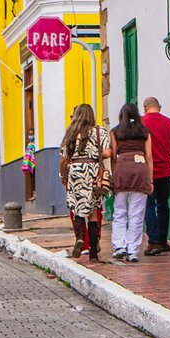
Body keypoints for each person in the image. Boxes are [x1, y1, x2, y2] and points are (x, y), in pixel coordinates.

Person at [57, 102, 108, 260]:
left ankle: (80, 239)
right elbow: (106, 152)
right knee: (93, 211)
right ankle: (93, 252)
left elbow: (64, 155)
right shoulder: (99, 131)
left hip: (75, 172)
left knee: (77, 208)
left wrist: (64, 176)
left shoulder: (71, 133)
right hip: (92, 171)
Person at [107, 102, 154, 263]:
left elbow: (113, 156)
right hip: (140, 171)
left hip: (122, 170)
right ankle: (133, 250)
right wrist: (151, 179)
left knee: (119, 211)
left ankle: (119, 246)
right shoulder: (144, 132)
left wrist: (115, 175)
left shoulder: (115, 131)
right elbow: (149, 157)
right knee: (137, 213)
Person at [140, 96, 170, 255]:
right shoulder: (169, 122)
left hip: (146, 171)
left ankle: (153, 241)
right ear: (160, 107)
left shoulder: (140, 122)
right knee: (163, 205)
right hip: (165, 170)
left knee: (149, 205)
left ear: (145, 108)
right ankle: (163, 241)